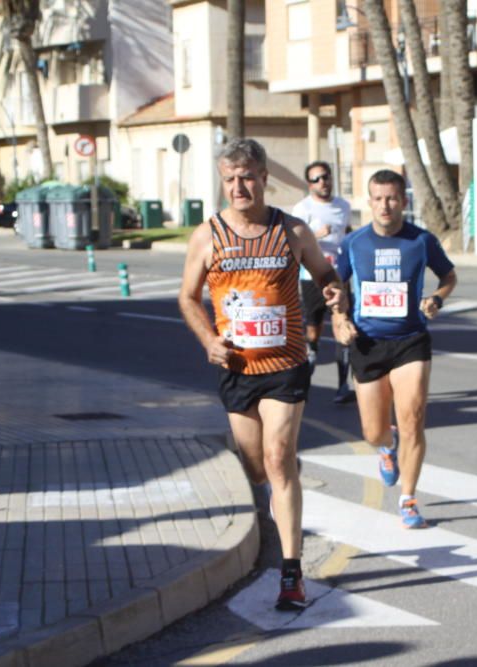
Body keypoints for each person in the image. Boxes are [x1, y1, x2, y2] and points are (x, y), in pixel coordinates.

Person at [177, 138, 346, 611]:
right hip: (236, 368)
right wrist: (208, 339)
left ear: (264, 178)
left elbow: (326, 276)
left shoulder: (293, 231)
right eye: (229, 179)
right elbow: (188, 298)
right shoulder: (207, 236)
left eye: (247, 177)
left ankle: (291, 573)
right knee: (257, 469)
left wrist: (334, 294)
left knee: (276, 458)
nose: (238, 187)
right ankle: (284, 471)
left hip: (286, 363)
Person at [331, 169, 457, 529]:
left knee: (413, 420)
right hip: (367, 343)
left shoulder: (421, 241)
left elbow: (449, 277)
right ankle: (387, 449)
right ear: (369, 202)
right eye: (378, 198)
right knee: (373, 431)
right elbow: (337, 287)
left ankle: (409, 499)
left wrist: (436, 298)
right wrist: (339, 319)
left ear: (403, 201)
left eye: (392, 198)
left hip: (410, 340)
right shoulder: (354, 243)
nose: (385, 205)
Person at [291, 161, 355, 404]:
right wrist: (316, 235)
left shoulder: (343, 206)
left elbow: (346, 232)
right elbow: (293, 242)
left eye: (325, 177)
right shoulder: (302, 209)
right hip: (311, 278)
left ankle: (342, 387)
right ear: (309, 184)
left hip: (338, 275)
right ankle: (304, 381)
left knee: (342, 325)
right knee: (313, 330)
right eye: (316, 179)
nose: (323, 182)